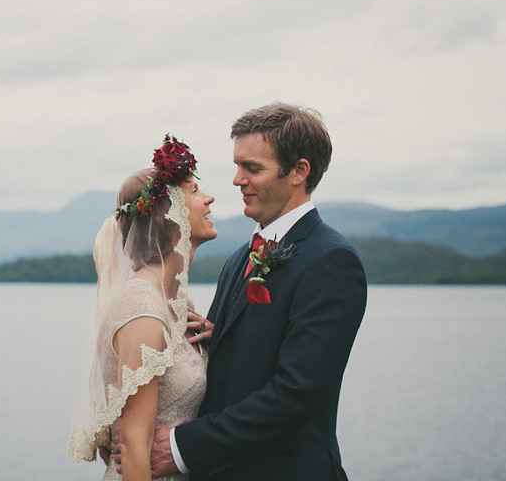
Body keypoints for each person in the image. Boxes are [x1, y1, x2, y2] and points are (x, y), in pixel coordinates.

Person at [143, 103, 368, 480]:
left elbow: (297, 392)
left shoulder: (331, 261)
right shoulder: (239, 259)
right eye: (237, 166)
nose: (236, 180)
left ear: (299, 172)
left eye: (253, 168)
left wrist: (184, 447)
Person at [68, 135, 218, 481]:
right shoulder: (143, 308)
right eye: (195, 191)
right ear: (171, 214)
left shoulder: (178, 302)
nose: (208, 199)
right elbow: (135, 446)